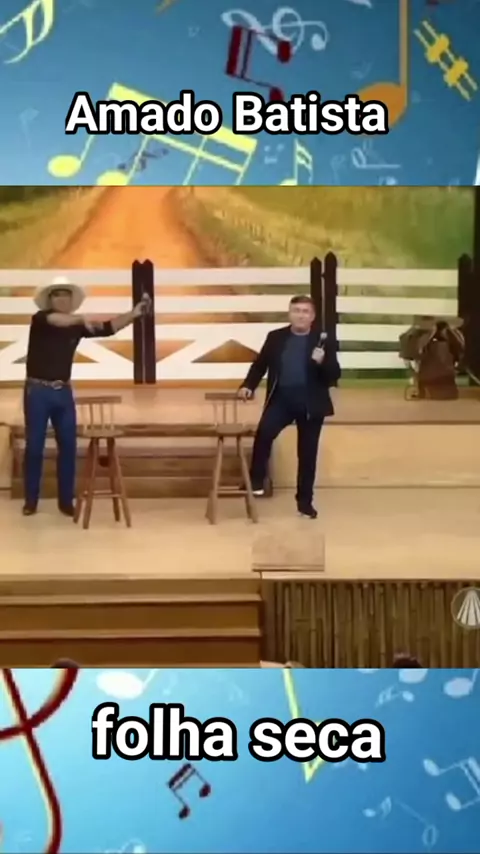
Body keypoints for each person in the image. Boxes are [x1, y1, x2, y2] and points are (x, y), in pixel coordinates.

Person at [23, 275, 151, 517]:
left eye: (66, 294)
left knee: (68, 446)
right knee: (35, 447)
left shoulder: (76, 325)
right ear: (50, 299)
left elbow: (109, 327)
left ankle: (66, 501)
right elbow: (57, 320)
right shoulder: (41, 319)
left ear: (71, 299)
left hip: (63, 392)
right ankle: (31, 500)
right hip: (37, 391)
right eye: (57, 294)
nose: (62, 299)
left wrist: (134, 313)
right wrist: (82, 319)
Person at [238, 295, 341, 519]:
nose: (300, 315)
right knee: (264, 433)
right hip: (281, 400)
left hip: (310, 403)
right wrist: (248, 385)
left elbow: (334, 376)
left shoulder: (323, 340)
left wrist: (322, 361)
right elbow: (260, 365)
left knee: (307, 455)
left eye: (305, 311)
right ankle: (257, 480)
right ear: (290, 314)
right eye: (296, 310)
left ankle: (305, 503)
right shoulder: (276, 337)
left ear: (312, 316)